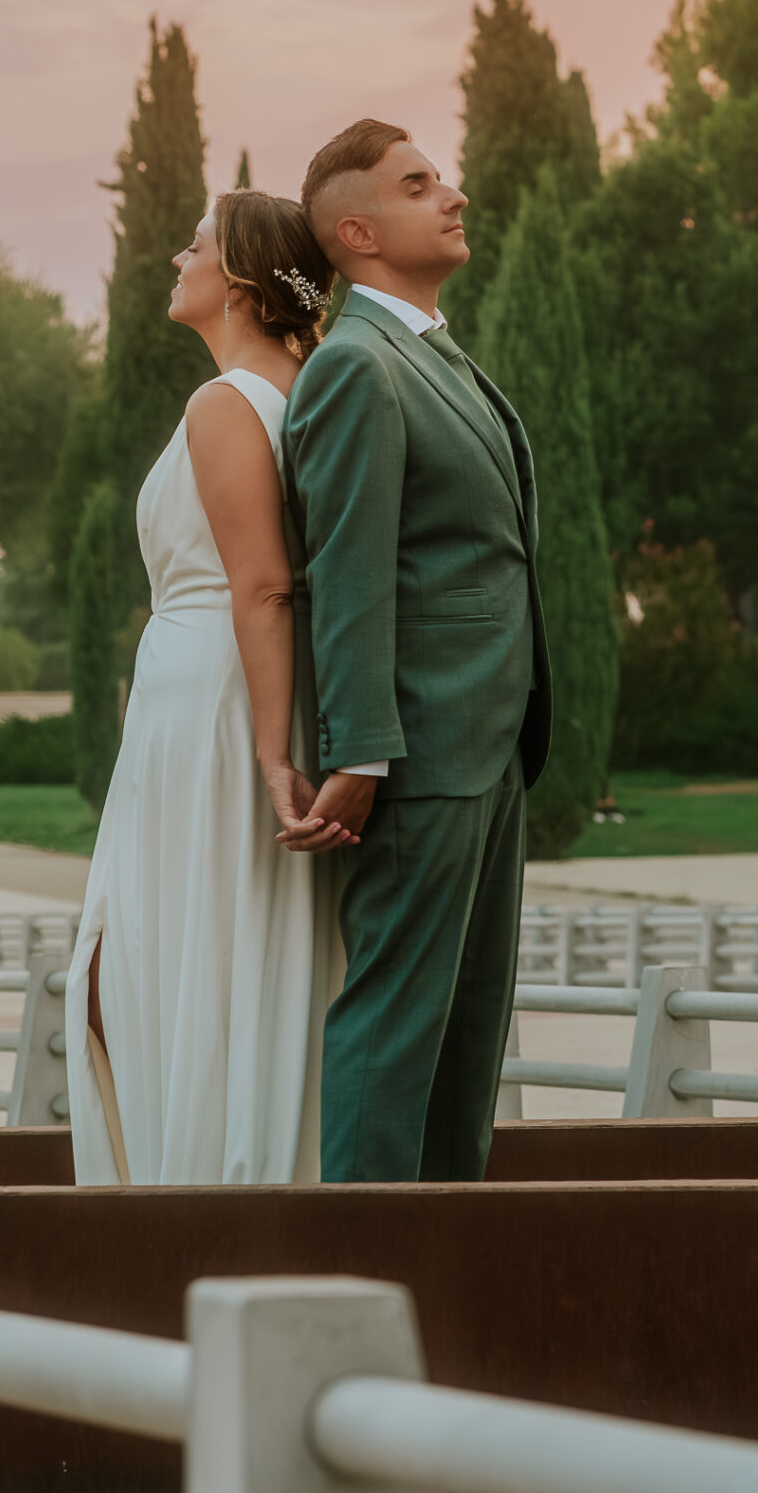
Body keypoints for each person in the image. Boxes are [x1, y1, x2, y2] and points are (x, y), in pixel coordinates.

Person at [283, 120, 551, 1183]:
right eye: (418, 183)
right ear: (358, 230)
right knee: (396, 1033)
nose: (454, 195)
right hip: (421, 756)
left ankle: (442, 1284)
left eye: (440, 177)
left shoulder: (433, 356)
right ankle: (362, 1277)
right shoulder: (356, 366)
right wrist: (362, 754)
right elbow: (349, 575)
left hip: (490, 746)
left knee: (465, 1045)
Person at [64, 189, 342, 1185]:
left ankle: (193, 1176)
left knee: (151, 959)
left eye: (193, 244)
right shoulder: (304, 390)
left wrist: (269, 756)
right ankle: (216, 1151)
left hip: (216, 707)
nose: (173, 258)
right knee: (207, 950)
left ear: (238, 278)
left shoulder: (225, 403)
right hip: (221, 694)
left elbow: (262, 583)